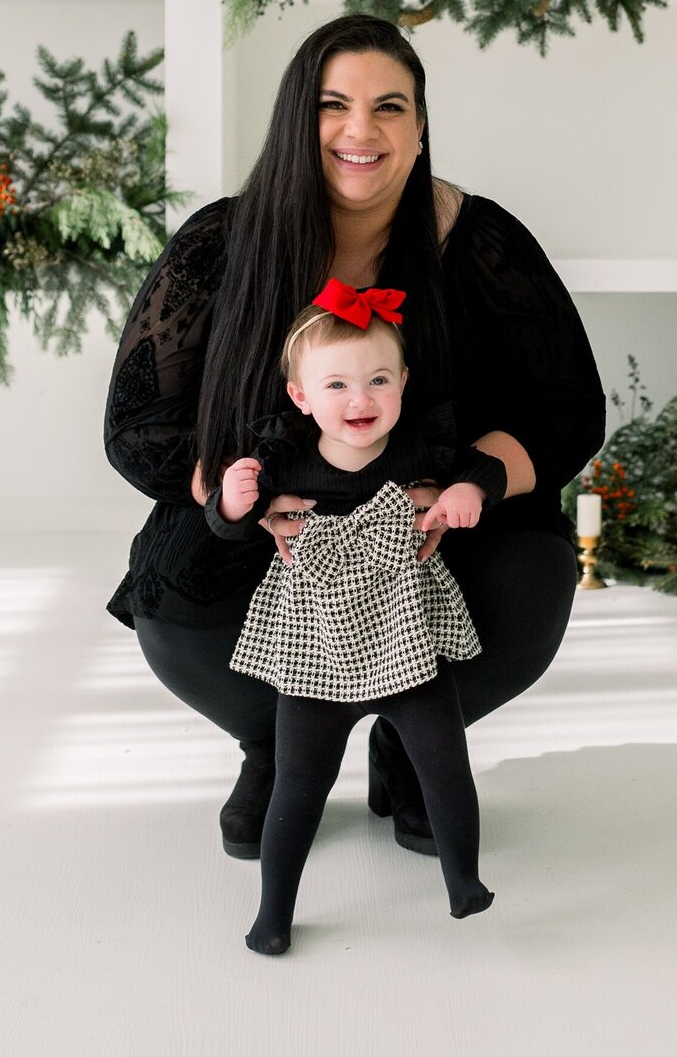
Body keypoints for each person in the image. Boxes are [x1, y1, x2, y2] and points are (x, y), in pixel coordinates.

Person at [104, 12, 606, 866]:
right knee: (180, 597)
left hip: (431, 532)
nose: (360, 131)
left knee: (530, 581)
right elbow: (138, 424)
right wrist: (247, 503)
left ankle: (417, 742)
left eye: (390, 107)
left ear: (419, 128)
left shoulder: (478, 240)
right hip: (278, 526)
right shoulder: (221, 243)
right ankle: (276, 748)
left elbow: (567, 411)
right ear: (300, 120)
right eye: (334, 105)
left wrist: (473, 484)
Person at [209, 280, 500, 953]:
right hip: (317, 644)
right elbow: (226, 527)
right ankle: (273, 912)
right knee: (299, 783)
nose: (360, 400)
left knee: (445, 762)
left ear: (403, 382)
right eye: (336, 386)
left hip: (406, 634)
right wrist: (231, 501)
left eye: (377, 380)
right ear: (301, 397)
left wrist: (465, 488)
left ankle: (464, 881)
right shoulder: (284, 454)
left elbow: (480, 467)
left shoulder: (421, 447)